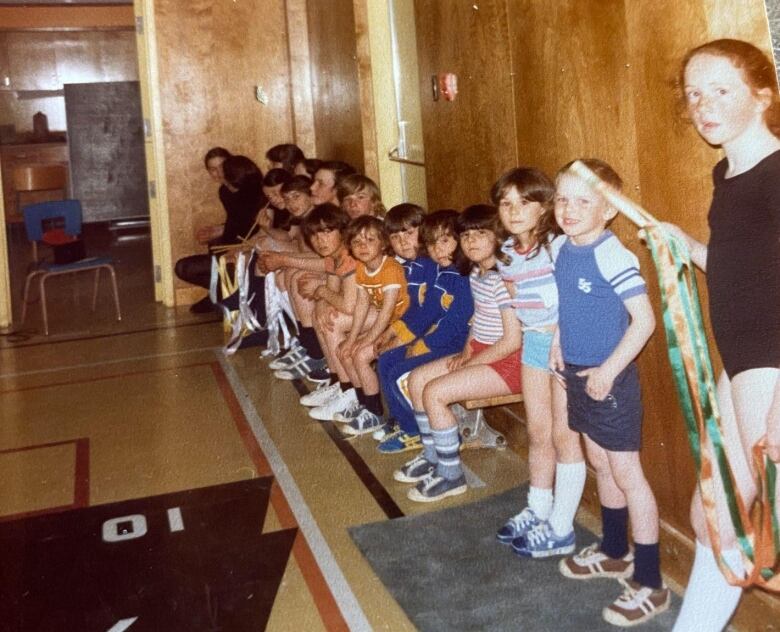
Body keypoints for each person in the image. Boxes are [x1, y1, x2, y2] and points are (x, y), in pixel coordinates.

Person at [661, 39, 780, 632]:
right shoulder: (729, 172)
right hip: (745, 363)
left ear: (763, 95)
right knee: (715, 516)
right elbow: (750, 270)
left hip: (774, 370)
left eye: (721, 90)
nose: (703, 106)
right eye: (694, 93)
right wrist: (690, 248)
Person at [552, 159, 669, 627]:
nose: (569, 209)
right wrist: (561, 344)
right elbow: (568, 304)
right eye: (562, 198)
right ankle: (616, 550)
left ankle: (649, 579)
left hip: (611, 379)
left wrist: (608, 370)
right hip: (578, 374)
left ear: (608, 212)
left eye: (583, 201)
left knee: (627, 472)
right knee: (599, 462)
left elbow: (644, 321)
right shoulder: (560, 245)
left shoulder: (613, 254)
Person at [396, 205, 522, 502]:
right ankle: (432, 457)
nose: (471, 241)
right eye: (466, 235)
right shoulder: (477, 272)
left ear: (498, 236)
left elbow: (512, 341)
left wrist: (470, 364)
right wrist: (467, 351)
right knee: (417, 379)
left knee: (436, 392)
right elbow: (477, 320)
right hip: (481, 353)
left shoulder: (504, 279)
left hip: (508, 362)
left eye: (481, 233)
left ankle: (452, 476)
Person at [492, 167, 586, 558]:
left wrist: (560, 341)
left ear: (544, 206)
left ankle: (561, 526)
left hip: (562, 344)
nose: (514, 211)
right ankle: (539, 508)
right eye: (505, 203)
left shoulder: (558, 246)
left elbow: (573, 301)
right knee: (538, 432)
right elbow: (517, 307)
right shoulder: (507, 255)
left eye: (525, 202)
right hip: (534, 343)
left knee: (565, 436)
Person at [375, 209, 473, 454]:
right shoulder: (442, 272)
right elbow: (424, 313)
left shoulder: (463, 276)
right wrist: (394, 335)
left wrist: (418, 347)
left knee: (399, 373)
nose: (438, 250)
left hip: (457, 345)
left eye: (445, 241)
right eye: (431, 244)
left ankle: (417, 432)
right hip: (438, 341)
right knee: (386, 360)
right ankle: (407, 424)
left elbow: (455, 324)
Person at [335, 216, 410, 435]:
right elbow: (362, 304)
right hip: (385, 324)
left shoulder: (390, 269)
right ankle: (364, 403)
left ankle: (375, 413)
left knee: (359, 355)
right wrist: (351, 338)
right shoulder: (361, 267)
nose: (363, 246)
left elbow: (387, 313)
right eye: (357, 242)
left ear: (384, 243)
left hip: (401, 326)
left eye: (370, 240)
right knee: (345, 350)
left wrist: (366, 340)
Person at [174, 151, 265, 313]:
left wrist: (233, 241)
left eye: (222, 166)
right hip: (230, 246)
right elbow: (236, 221)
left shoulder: (255, 190)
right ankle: (221, 295)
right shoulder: (224, 191)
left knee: (188, 267)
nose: (219, 172)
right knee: (182, 268)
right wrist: (218, 230)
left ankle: (221, 298)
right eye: (212, 169)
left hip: (247, 250)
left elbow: (256, 227)